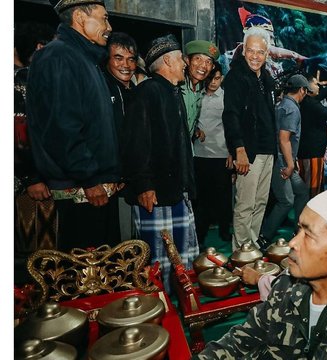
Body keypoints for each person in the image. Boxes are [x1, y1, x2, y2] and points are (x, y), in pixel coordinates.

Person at [194, 185, 327, 359]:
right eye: (298, 229)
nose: (293, 242)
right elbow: (245, 337)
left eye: (308, 234)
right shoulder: (289, 283)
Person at [26, 0, 121, 252]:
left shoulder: (84, 58)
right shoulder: (58, 56)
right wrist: (89, 180)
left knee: (105, 277)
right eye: (104, 18)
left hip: (93, 188)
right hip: (81, 191)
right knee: (83, 279)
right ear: (80, 17)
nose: (108, 26)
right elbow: (62, 128)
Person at [121, 34, 198, 293]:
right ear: (167, 60)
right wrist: (143, 185)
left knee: (178, 256)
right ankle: (158, 310)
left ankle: (176, 306)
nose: (185, 64)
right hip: (155, 194)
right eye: (181, 59)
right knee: (157, 260)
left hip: (175, 190)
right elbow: (136, 143)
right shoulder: (148, 91)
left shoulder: (172, 92)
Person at [222, 26, 277, 251]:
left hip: (267, 149)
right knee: (245, 204)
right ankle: (241, 252)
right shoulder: (236, 76)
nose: (255, 56)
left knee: (261, 202)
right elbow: (230, 115)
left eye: (260, 52)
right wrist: (239, 149)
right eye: (251, 51)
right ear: (243, 50)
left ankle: (251, 246)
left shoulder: (266, 78)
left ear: (266, 54)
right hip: (249, 151)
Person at [14, 21, 56, 283]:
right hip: (26, 185)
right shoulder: (22, 79)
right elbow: (20, 134)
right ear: (39, 48)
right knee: (36, 259)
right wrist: (33, 177)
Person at [259, 74, 311, 247]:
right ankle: (264, 237)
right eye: (306, 90)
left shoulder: (283, 104)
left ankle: (299, 230)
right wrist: (289, 164)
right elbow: (284, 138)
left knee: (302, 191)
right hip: (281, 162)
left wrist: (292, 160)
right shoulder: (292, 108)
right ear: (302, 90)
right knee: (286, 200)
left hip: (285, 159)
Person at [192, 64, 234, 247]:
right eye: (210, 78)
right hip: (199, 154)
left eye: (217, 78)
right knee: (201, 198)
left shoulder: (226, 98)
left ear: (222, 78)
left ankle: (225, 231)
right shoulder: (196, 96)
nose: (213, 82)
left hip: (221, 154)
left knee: (223, 197)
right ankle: (199, 234)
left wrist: (233, 152)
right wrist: (196, 130)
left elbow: (233, 127)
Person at [103, 32, 138, 241]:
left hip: (132, 180)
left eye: (131, 59)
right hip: (110, 181)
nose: (126, 64)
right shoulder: (102, 88)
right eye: (118, 58)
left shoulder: (135, 91)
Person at [182, 39, 220, 138]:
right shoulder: (178, 88)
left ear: (212, 67)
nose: (203, 66)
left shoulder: (199, 89)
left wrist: (195, 130)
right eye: (198, 58)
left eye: (208, 62)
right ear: (187, 60)